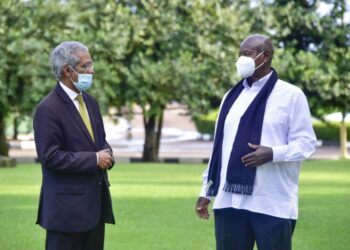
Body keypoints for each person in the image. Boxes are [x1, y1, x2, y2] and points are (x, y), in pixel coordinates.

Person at [195, 34, 317, 250]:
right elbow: (220, 150)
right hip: (228, 201)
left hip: (271, 202)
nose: (241, 59)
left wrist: (272, 153)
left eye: (247, 54)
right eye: (240, 54)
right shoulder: (230, 97)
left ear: (265, 56)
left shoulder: (291, 95)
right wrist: (206, 190)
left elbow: (307, 144)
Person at [34, 41, 115, 250]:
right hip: (65, 213)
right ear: (67, 71)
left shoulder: (91, 102)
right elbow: (50, 157)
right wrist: (94, 159)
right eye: (85, 66)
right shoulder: (48, 109)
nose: (92, 70)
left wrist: (107, 153)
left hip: (94, 208)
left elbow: (100, 140)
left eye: (91, 64)